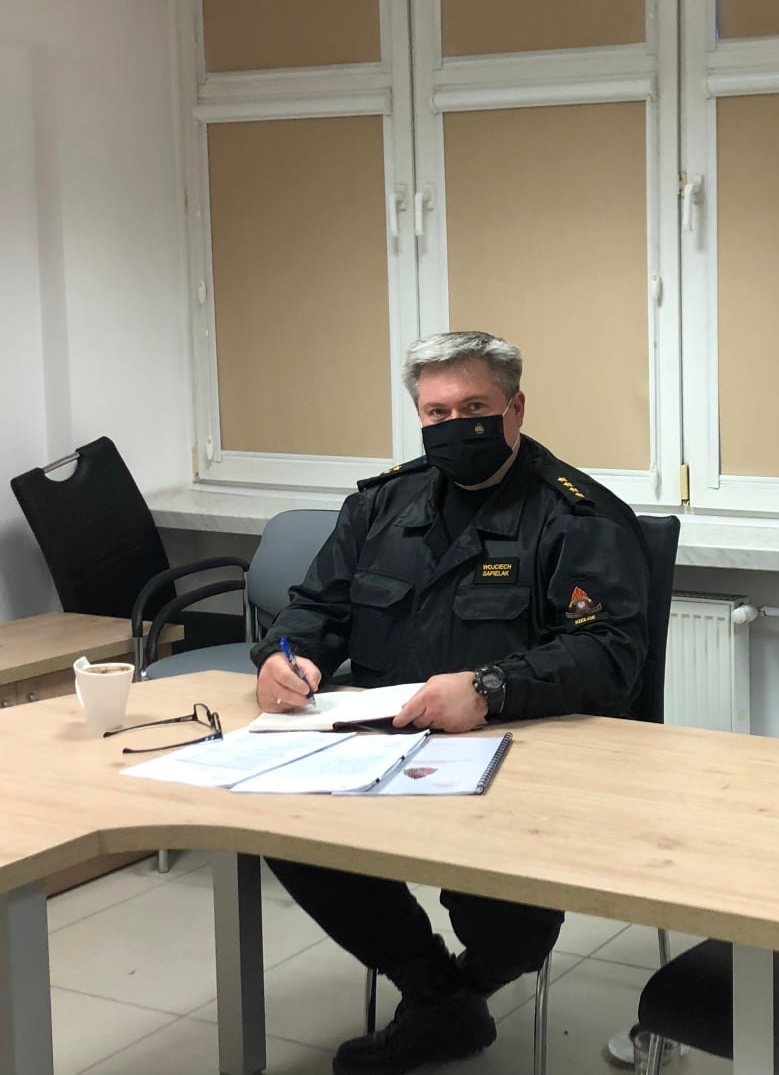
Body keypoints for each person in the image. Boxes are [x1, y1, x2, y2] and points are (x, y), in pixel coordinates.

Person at [253, 330, 651, 1075]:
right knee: (281, 823)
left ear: (514, 409)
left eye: (474, 407)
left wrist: (491, 689)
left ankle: (461, 988)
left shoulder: (577, 515)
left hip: (520, 760)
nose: (455, 425)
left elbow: (610, 655)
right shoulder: (380, 505)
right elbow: (312, 607)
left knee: (501, 912)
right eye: (437, 413)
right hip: (381, 743)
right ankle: (437, 993)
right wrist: (287, 657)